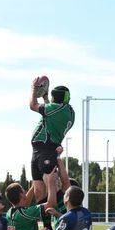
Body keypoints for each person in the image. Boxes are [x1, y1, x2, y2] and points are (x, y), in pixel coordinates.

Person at [28, 77, 74, 206]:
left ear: (55, 99)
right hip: (39, 150)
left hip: (46, 149)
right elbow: (50, 111)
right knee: (39, 192)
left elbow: (33, 105)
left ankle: (56, 217)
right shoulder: (67, 110)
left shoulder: (58, 108)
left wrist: (34, 89)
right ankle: (47, 224)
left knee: (50, 190)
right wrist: (45, 96)